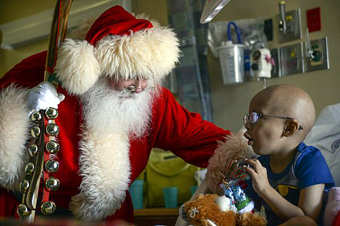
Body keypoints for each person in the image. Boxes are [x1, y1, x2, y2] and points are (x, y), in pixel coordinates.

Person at [0, 5, 231, 224]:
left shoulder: (152, 99)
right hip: (23, 212)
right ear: (97, 67)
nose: (140, 87)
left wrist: (254, 147)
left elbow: (199, 137)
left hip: (103, 218)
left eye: (147, 76)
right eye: (130, 75)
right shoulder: (40, 72)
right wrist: (24, 107)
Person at [243, 84, 334, 226]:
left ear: (289, 128)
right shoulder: (261, 164)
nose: (247, 125)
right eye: (248, 117)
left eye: (255, 117)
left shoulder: (310, 161)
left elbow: (308, 218)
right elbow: (247, 208)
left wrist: (265, 189)